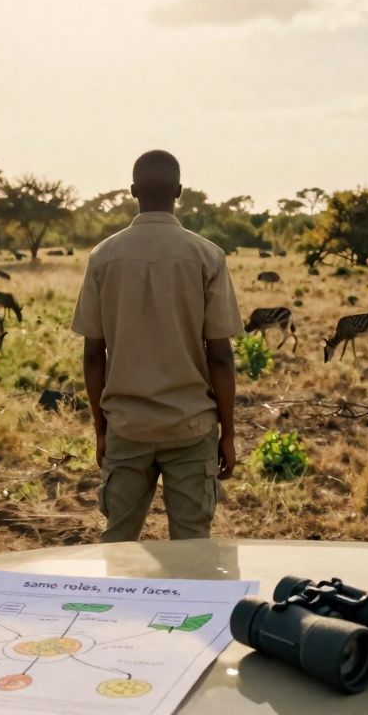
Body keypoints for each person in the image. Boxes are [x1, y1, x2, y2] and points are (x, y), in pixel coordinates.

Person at [72, 150, 244, 542]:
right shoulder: (207, 255)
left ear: (132, 191)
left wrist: (102, 430)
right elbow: (220, 355)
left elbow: (92, 355)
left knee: (118, 543)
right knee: (192, 547)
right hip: (191, 426)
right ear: (179, 192)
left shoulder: (103, 257)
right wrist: (228, 433)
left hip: (127, 427)